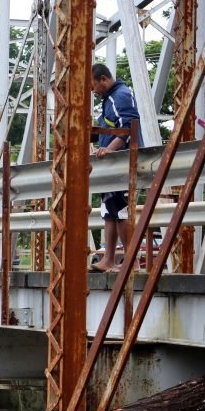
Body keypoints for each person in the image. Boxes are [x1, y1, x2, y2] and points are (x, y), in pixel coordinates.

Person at [90, 63, 142, 272]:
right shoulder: (108, 100)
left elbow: (130, 125)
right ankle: (109, 259)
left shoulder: (119, 95)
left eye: (93, 86)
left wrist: (110, 149)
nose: (93, 91)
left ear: (103, 79)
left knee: (120, 211)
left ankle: (132, 262)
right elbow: (108, 128)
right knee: (109, 211)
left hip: (122, 162)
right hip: (111, 165)